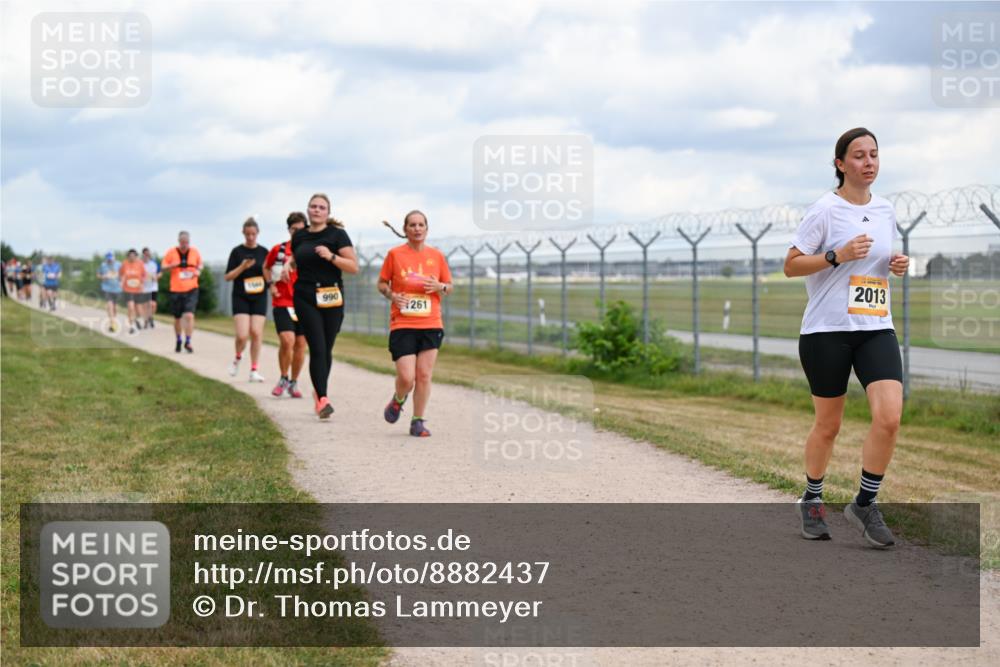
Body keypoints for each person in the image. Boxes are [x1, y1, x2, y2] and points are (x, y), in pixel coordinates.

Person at [784, 127, 909, 549]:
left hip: (875, 326)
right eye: (858, 155)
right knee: (828, 425)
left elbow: (873, 263)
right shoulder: (825, 210)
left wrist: (895, 263)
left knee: (889, 417)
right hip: (827, 331)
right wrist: (837, 255)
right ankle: (813, 500)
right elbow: (792, 264)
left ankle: (864, 503)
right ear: (840, 164)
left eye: (874, 154)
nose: (869, 162)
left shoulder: (887, 209)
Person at [377, 211, 453, 437]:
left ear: (426, 229)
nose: (417, 228)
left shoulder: (437, 256)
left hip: (431, 323)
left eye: (421, 225)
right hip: (403, 323)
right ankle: (399, 399)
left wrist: (441, 287)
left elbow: (449, 286)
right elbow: (381, 283)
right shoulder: (395, 255)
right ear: (405, 229)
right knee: (407, 377)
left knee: (424, 375)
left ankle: (417, 420)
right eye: (412, 225)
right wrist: (392, 296)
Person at [288, 193, 359, 418]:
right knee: (317, 347)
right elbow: (297, 257)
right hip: (305, 295)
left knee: (326, 348)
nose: (317, 210)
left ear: (328, 212)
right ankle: (323, 399)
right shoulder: (299, 236)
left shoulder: (337, 235)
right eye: (313, 206)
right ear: (308, 210)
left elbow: (353, 267)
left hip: (331, 295)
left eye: (321, 207)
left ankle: (319, 395)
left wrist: (331, 257)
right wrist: (288, 264)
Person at [263, 211, 308, 397]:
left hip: (304, 303)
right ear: (289, 230)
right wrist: (270, 285)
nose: (297, 232)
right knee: (287, 341)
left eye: (300, 229)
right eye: (293, 229)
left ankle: (293, 382)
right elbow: (265, 267)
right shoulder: (279, 250)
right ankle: (283, 377)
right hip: (282, 301)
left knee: (300, 345)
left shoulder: (309, 250)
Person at [224, 217, 270, 382]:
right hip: (241, 297)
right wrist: (242, 266)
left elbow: (269, 274)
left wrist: (272, 284)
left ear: (258, 233)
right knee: (242, 335)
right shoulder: (237, 252)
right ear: (243, 233)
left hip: (259, 296)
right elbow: (228, 277)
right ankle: (237, 358)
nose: (250, 237)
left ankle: (254, 370)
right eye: (247, 234)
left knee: (256, 332)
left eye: (253, 234)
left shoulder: (264, 252)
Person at [161, 231, 203, 353]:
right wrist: (172, 266)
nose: (184, 245)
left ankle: (188, 341)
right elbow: (163, 267)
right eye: (182, 242)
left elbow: (200, 264)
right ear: (178, 241)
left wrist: (198, 271)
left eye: (186, 242)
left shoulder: (194, 252)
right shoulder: (171, 252)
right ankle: (179, 339)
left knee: (189, 315)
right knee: (178, 318)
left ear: (189, 242)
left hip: (192, 288)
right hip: (176, 289)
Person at [119, 248, 147, 334]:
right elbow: (121, 275)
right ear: (127, 257)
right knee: (131, 307)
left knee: (139, 309)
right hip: (128, 289)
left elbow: (144, 275)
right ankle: (132, 326)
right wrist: (121, 282)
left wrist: (142, 283)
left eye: (133, 256)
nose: (131, 258)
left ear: (136, 256)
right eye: (129, 256)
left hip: (138, 289)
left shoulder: (140, 263)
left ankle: (137, 320)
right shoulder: (124, 264)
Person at [98, 252, 122, 332]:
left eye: (111, 259)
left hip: (117, 289)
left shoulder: (119, 264)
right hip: (107, 288)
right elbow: (98, 274)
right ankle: (112, 323)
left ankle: (113, 320)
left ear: (114, 258)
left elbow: (124, 274)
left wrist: (121, 278)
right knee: (110, 305)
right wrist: (103, 276)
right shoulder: (103, 265)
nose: (110, 261)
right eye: (108, 260)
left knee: (115, 307)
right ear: (106, 259)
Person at [141, 247, 160, 328]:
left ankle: (150, 317)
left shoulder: (154, 263)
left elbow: (160, 272)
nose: (147, 256)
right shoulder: (140, 264)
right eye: (145, 254)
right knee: (145, 305)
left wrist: (156, 277)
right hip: (144, 287)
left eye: (148, 254)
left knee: (153, 304)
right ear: (143, 255)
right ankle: (145, 321)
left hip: (153, 287)